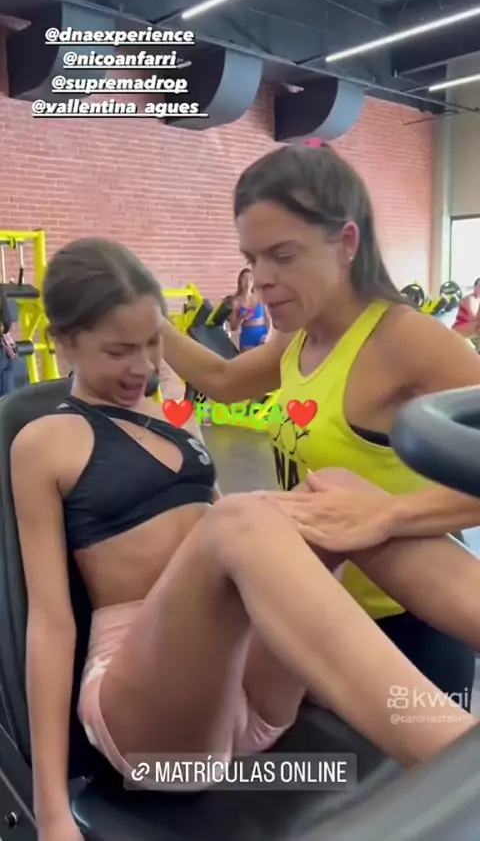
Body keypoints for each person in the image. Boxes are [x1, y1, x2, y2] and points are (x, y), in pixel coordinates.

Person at [12, 238, 480, 841]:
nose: (143, 367)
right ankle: (453, 757)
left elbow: (228, 551)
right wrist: (50, 807)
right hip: (155, 730)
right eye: (119, 351)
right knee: (238, 521)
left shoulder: (170, 416)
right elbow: (50, 624)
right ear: (63, 342)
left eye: (153, 343)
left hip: (246, 697)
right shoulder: (44, 441)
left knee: (333, 492)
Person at [162, 143, 480, 709]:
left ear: (347, 242)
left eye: (283, 256)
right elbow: (222, 380)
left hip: (408, 628)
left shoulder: (405, 339)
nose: (261, 279)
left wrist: (389, 513)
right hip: (324, 615)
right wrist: (147, 320)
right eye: (253, 258)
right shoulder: (297, 338)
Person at [229, 267, 270, 350]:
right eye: (245, 279)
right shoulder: (236, 301)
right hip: (248, 336)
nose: (248, 282)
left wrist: (269, 334)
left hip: (262, 334)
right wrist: (241, 318)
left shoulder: (259, 296)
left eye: (250, 279)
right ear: (240, 281)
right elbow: (233, 327)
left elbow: (268, 317)